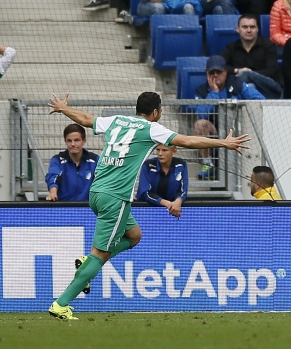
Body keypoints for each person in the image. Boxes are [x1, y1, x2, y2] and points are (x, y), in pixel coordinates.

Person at [46, 91, 250, 320]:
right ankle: (61, 303)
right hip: (115, 198)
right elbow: (188, 141)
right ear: (155, 112)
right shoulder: (152, 129)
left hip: (96, 193)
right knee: (100, 255)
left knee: (134, 235)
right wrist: (223, 142)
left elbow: (84, 119)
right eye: (160, 111)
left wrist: (64, 108)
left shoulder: (116, 120)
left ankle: (87, 264)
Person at [194, 55, 264, 179]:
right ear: (206, 74)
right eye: (211, 72)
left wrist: (242, 105)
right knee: (200, 124)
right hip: (215, 135)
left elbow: (259, 100)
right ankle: (208, 164)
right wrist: (214, 93)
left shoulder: (236, 84)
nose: (215, 75)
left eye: (219, 72)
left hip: (239, 129)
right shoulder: (202, 91)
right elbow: (202, 114)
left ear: (225, 72)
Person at [220, 14, 283, 99]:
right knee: (249, 86)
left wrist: (249, 74)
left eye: (252, 27)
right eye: (245, 27)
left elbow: (271, 71)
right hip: (242, 87)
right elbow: (219, 65)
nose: (249, 30)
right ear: (238, 29)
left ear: (257, 29)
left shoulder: (268, 45)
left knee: (246, 77)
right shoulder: (232, 47)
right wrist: (237, 70)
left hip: (268, 88)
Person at [45, 124, 99, 201]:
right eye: (69, 141)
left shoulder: (95, 160)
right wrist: (53, 192)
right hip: (63, 208)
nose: (73, 144)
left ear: (84, 141)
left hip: (88, 209)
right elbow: (53, 177)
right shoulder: (57, 160)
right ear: (65, 142)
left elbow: (103, 181)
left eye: (77, 140)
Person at [136, 144, 188, 218]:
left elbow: (183, 190)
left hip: (173, 211)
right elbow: (144, 192)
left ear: (174, 152)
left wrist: (178, 201)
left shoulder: (181, 165)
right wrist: (166, 203)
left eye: (164, 150)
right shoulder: (148, 165)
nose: (160, 154)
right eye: (158, 150)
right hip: (147, 212)